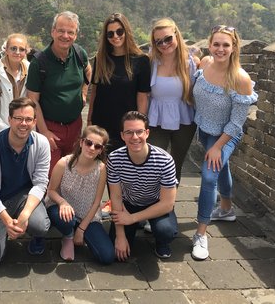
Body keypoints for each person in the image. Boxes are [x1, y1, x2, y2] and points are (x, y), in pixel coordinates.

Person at [191, 25, 258, 261]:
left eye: (226, 45)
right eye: (216, 44)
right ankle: (227, 209)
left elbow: (236, 123)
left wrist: (218, 146)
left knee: (209, 177)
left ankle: (201, 233)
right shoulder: (205, 63)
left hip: (226, 135)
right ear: (209, 45)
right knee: (222, 168)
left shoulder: (240, 79)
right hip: (205, 130)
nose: (220, 49)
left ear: (234, 48)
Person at [0, 97, 51, 267]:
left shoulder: (41, 143)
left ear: (35, 121)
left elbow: (41, 183)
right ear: (9, 119)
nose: (23, 123)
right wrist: (5, 219)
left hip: (24, 198)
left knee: (40, 225)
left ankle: (29, 231)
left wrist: (25, 216)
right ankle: (4, 226)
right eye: (18, 118)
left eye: (28, 119)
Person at [26, 11, 92, 174]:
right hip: (50, 127)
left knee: (72, 173)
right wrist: (45, 132)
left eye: (71, 32)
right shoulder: (39, 62)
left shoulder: (79, 53)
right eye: (61, 30)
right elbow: (33, 100)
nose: (65, 35)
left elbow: (89, 72)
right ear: (53, 31)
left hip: (75, 126)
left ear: (76, 35)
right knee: (51, 177)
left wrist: (84, 93)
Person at [108, 111, 178, 260]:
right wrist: (120, 236)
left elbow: (167, 204)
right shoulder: (114, 159)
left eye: (139, 131)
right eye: (129, 132)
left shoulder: (165, 160)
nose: (134, 137)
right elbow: (116, 197)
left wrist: (132, 218)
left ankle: (161, 242)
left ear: (147, 133)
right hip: (129, 204)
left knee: (166, 231)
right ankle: (133, 227)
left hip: (155, 203)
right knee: (115, 254)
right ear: (122, 135)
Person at [45, 125, 115, 265]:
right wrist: (63, 203)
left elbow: (96, 202)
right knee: (67, 220)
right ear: (82, 142)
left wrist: (82, 230)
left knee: (107, 256)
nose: (92, 148)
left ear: (101, 150)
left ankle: (77, 229)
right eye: (89, 143)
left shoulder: (101, 168)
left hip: (87, 215)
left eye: (97, 146)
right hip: (62, 209)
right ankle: (68, 235)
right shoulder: (63, 163)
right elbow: (51, 191)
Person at [88, 12, 150, 152]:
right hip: (101, 124)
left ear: (126, 31)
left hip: (126, 127)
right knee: (101, 167)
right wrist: (89, 121)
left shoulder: (141, 61)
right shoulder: (101, 59)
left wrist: (141, 127)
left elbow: (142, 97)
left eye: (119, 31)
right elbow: (95, 92)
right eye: (110, 34)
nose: (115, 36)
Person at [148, 17, 200, 185]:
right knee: (155, 163)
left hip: (184, 120)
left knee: (176, 164)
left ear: (177, 35)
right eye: (158, 42)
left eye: (168, 38)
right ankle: (153, 205)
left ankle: (168, 206)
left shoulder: (192, 63)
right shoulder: (150, 63)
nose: (164, 44)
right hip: (156, 120)